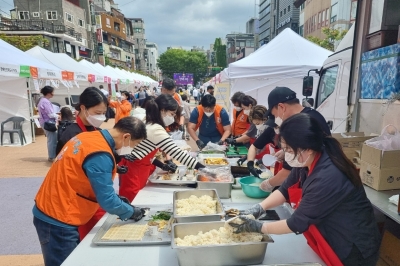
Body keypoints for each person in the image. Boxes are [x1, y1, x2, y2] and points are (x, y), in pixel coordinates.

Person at [230, 113, 380, 266]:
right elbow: (285, 189)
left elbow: (296, 223)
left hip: (351, 246)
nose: (286, 154)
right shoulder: (306, 160)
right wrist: (260, 208)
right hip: (328, 233)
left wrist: (260, 227)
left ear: (307, 148)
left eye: (288, 149)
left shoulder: (328, 175)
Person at [33, 117, 148, 266]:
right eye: (134, 145)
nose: (131, 150)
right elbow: (107, 201)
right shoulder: (101, 154)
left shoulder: (88, 136)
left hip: (51, 204)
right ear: (126, 137)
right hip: (58, 217)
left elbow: (82, 171)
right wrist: (132, 212)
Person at [118, 94, 206, 201]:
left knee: (137, 199)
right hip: (134, 171)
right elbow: (177, 153)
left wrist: (162, 165)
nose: (173, 118)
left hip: (136, 167)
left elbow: (144, 152)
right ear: (163, 110)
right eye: (172, 114)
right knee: (134, 201)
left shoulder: (148, 121)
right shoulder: (156, 128)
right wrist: (204, 169)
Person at [253, 86, 331, 192]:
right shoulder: (314, 115)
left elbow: (287, 173)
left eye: (275, 114)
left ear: (281, 107)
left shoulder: (299, 124)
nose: (277, 118)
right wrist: (285, 152)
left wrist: (267, 184)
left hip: (319, 181)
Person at [56, 87, 108, 155]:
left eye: (104, 113)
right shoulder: (70, 134)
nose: (101, 117)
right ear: (83, 108)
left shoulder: (99, 131)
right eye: (98, 113)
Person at [37, 86, 58, 162]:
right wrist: (59, 116)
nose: (53, 94)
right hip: (48, 122)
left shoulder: (42, 100)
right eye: (52, 92)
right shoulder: (45, 101)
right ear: (49, 93)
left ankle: (52, 156)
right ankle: (52, 157)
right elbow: (50, 114)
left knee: (51, 139)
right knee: (52, 140)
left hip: (46, 122)